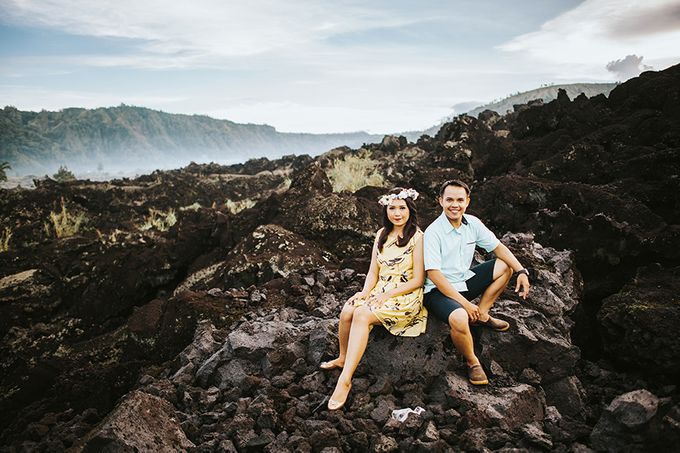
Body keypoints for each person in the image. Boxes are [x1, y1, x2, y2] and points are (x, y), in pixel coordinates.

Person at [321, 187, 428, 410]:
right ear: (386, 210)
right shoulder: (381, 234)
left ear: (410, 210)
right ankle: (342, 357)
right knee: (348, 309)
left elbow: (418, 279)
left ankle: (345, 379)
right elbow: (373, 272)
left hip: (405, 294)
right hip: (380, 289)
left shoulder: (418, 237)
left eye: (402, 208)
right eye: (392, 208)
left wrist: (387, 294)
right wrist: (364, 292)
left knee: (361, 315)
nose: (397, 213)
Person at [423, 179, 530, 385]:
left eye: (460, 200)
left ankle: (482, 314)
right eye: (450, 200)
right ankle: (472, 362)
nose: (455, 205)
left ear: (468, 201)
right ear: (440, 201)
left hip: (463, 282)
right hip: (437, 291)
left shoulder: (472, 223)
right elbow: (435, 275)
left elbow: (498, 248)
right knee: (460, 318)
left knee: (504, 266)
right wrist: (465, 304)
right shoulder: (433, 232)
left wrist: (521, 270)